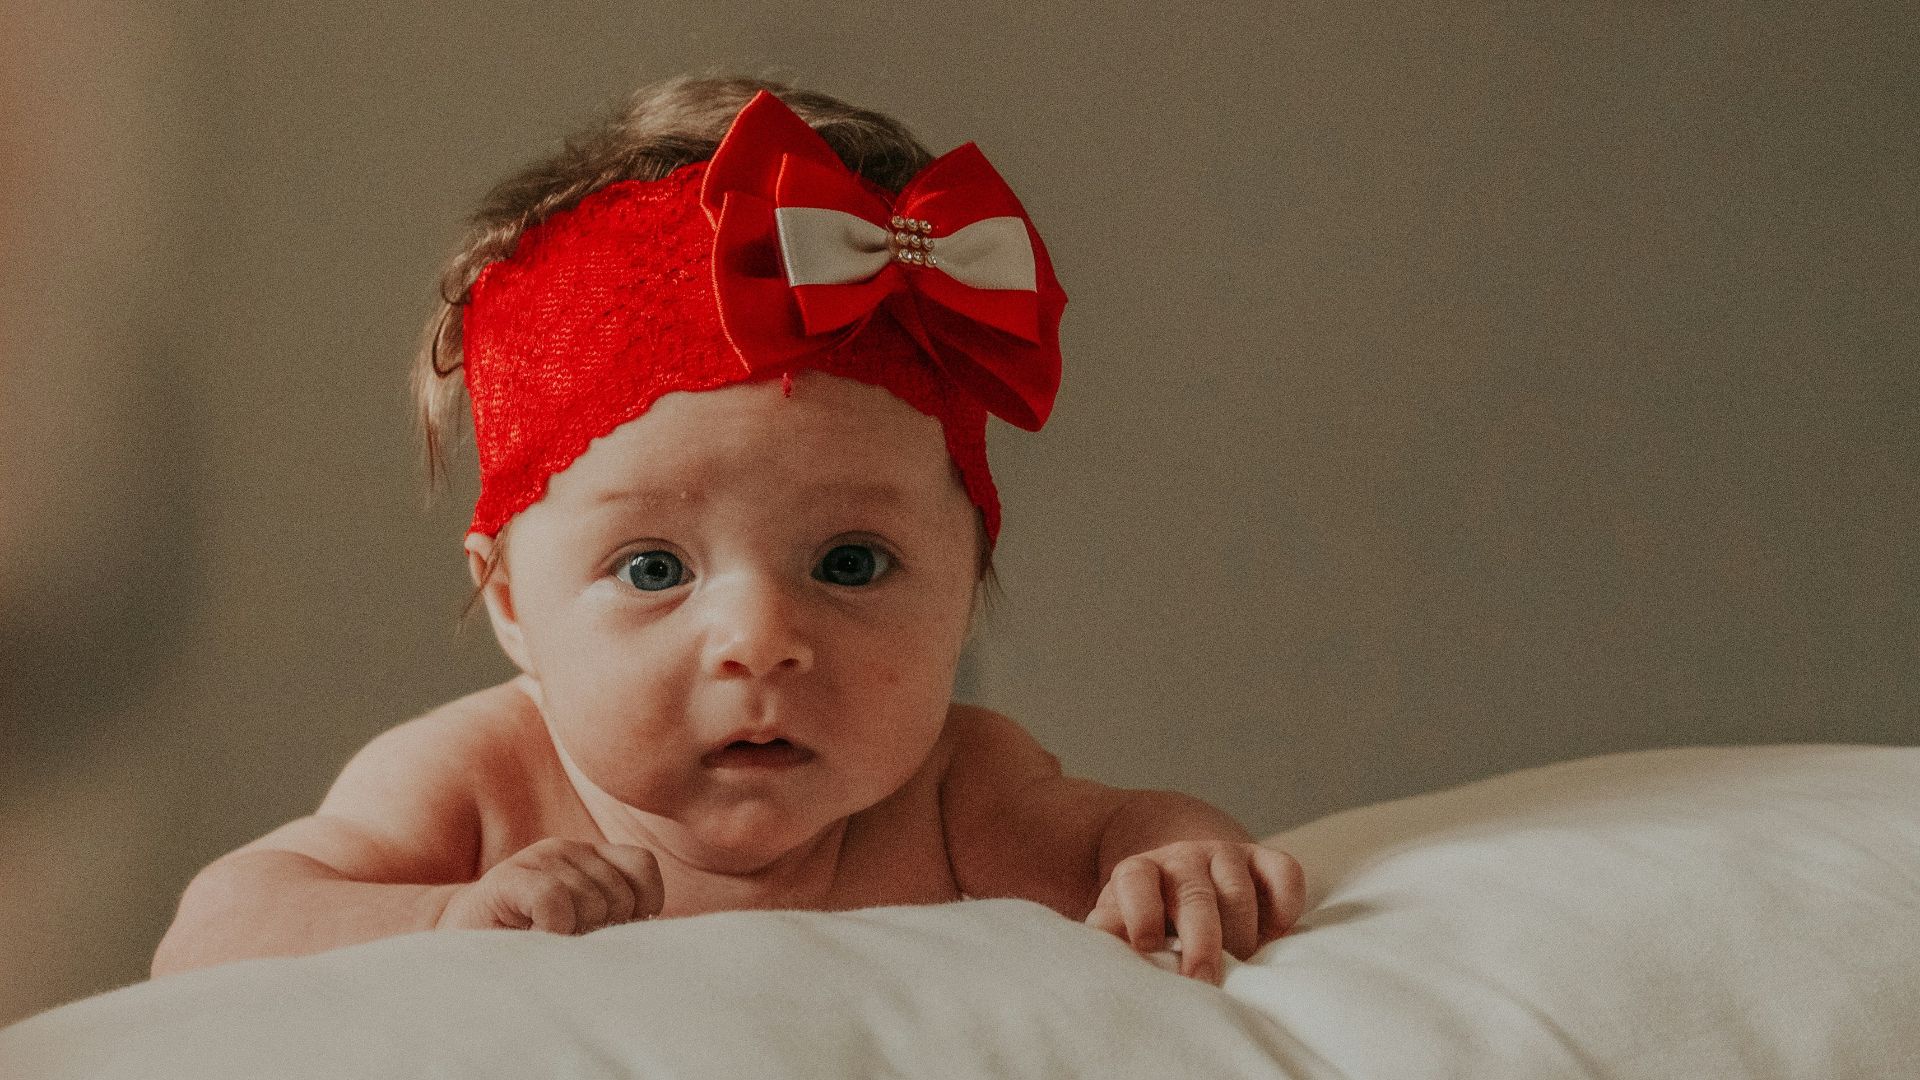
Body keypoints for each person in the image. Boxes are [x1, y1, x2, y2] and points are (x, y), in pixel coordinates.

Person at [152, 76, 1304, 986]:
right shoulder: (482, 787)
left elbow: (1127, 837)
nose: (761, 639)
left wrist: (1179, 855)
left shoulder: (959, 793)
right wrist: (448, 916)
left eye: (851, 563)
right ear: (512, 604)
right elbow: (212, 935)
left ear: (965, 586)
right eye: (653, 568)